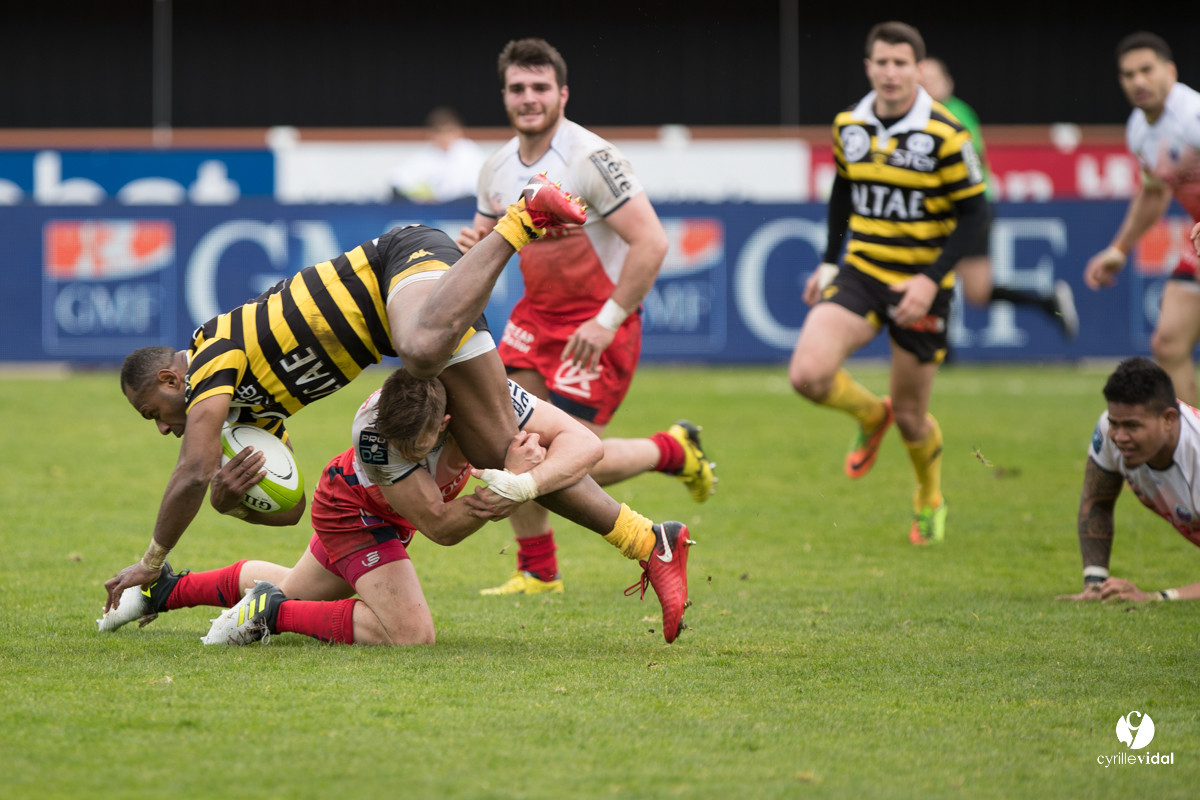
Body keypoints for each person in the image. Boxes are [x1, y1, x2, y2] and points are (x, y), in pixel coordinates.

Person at [104, 176, 695, 644]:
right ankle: (650, 542)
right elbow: (287, 511)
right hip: (414, 326)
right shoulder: (252, 412)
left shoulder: (211, 354)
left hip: (401, 265)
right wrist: (233, 505)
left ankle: (523, 218)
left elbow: (193, 466)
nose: (161, 425)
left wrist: (153, 558)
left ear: (167, 376)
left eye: (151, 410)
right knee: (493, 445)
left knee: (418, 349)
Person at [99, 368, 631, 645]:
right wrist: (512, 480)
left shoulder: (488, 400)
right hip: (354, 508)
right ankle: (269, 614)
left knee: (296, 583)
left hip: (387, 511)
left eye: (415, 448)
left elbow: (586, 446)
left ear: (445, 425)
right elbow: (444, 528)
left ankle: (165, 590)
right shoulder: (377, 435)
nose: (402, 456)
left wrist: (526, 482)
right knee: (408, 634)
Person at [456, 37, 715, 596]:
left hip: (594, 326)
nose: (529, 98)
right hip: (533, 319)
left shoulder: (591, 158)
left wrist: (608, 319)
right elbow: (486, 247)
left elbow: (651, 242)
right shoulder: (496, 168)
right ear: (504, 96)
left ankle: (672, 450)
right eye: (518, 88)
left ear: (562, 94)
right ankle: (538, 571)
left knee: (569, 464)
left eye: (540, 87)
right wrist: (474, 244)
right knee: (509, 442)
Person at [789, 21, 988, 545]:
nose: (891, 72)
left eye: (902, 63)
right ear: (868, 67)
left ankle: (929, 496)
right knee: (807, 374)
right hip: (863, 272)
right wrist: (831, 262)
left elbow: (976, 217)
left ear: (919, 70)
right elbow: (842, 194)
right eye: (882, 62)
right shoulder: (850, 124)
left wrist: (931, 279)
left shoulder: (946, 132)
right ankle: (868, 413)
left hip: (921, 285)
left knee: (912, 417)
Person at [919, 56, 1079, 341]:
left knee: (974, 291)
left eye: (932, 79)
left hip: (969, 208)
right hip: (940, 208)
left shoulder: (956, 113)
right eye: (922, 80)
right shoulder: (920, 116)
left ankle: (1047, 302)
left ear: (948, 83)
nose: (926, 85)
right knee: (939, 277)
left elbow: (972, 160)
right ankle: (941, 354)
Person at [1084, 32, 1200, 405]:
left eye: (1147, 70)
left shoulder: (1192, 116)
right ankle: (1195, 449)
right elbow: (1154, 192)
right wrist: (1119, 248)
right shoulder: (1140, 129)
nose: (1138, 81)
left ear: (1170, 70)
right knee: (1168, 343)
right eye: (1128, 74)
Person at [1058, 357, 1200, 603]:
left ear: (1168, 420)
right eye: (1115, 424)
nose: (1120, 437)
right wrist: (1095, 584)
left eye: (1132, 426)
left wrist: (1157, 597)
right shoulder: (1108, 431)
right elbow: (1097, 502)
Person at [389, 107, 486, 204]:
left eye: (449, 131)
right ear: (430, 134)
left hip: (464, 209)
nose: (444, 137)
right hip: (434, 212)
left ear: (459, 131)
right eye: (439, 132)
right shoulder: (425, 155)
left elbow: (476, 189)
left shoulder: (469, 152)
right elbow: (398, 181)